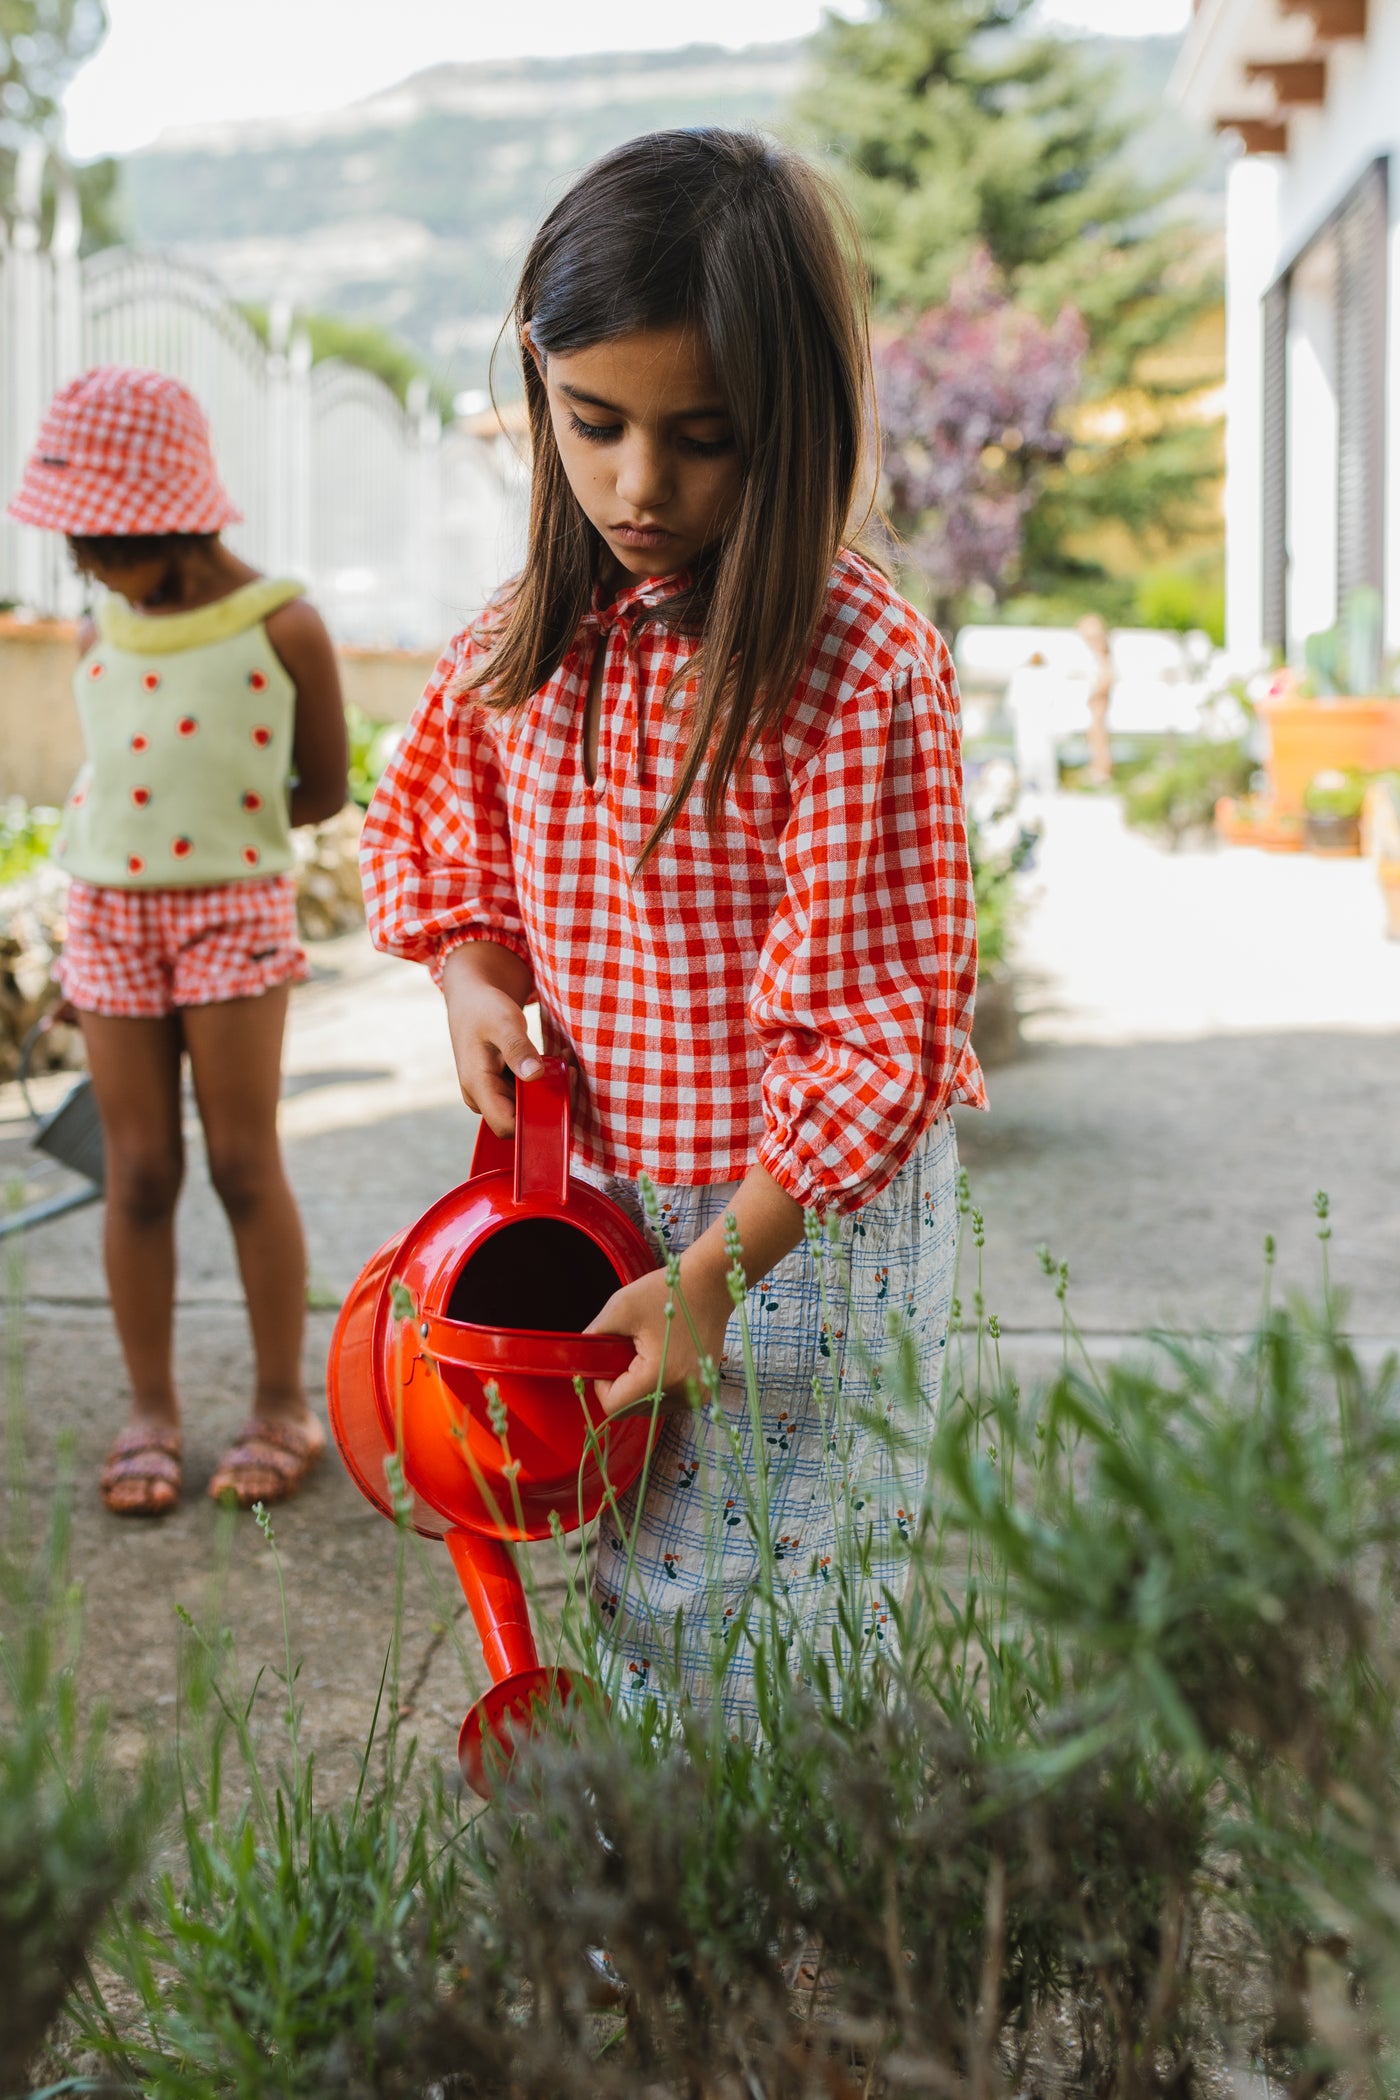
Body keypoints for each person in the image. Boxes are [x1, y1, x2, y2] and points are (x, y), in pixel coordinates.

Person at [360, 130, 985, 1720]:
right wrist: (471, 974)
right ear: (537, 382)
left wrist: (718, 1274)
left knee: (784, 1590)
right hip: (622, 1203)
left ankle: (767, 1925)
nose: (642, 487)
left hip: (802, 1229)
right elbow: (449, 828)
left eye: (705, 438)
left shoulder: (851, 671)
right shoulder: (527, 646)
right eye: (596, 423)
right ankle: (668, 1923)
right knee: (643, 1569)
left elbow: (874, 1032)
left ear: (796, 421)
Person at [7, 366, 348, 1517]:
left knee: (245, 1164)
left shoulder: (286, 625)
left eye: (102, 543)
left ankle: (279, 1404)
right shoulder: (108, 619)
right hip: (106, 914)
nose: (88, 570)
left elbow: (317, 790)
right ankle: (149, 1409)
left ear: (168, 517)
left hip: (231, 912)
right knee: (138, 1170)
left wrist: (217, 833)